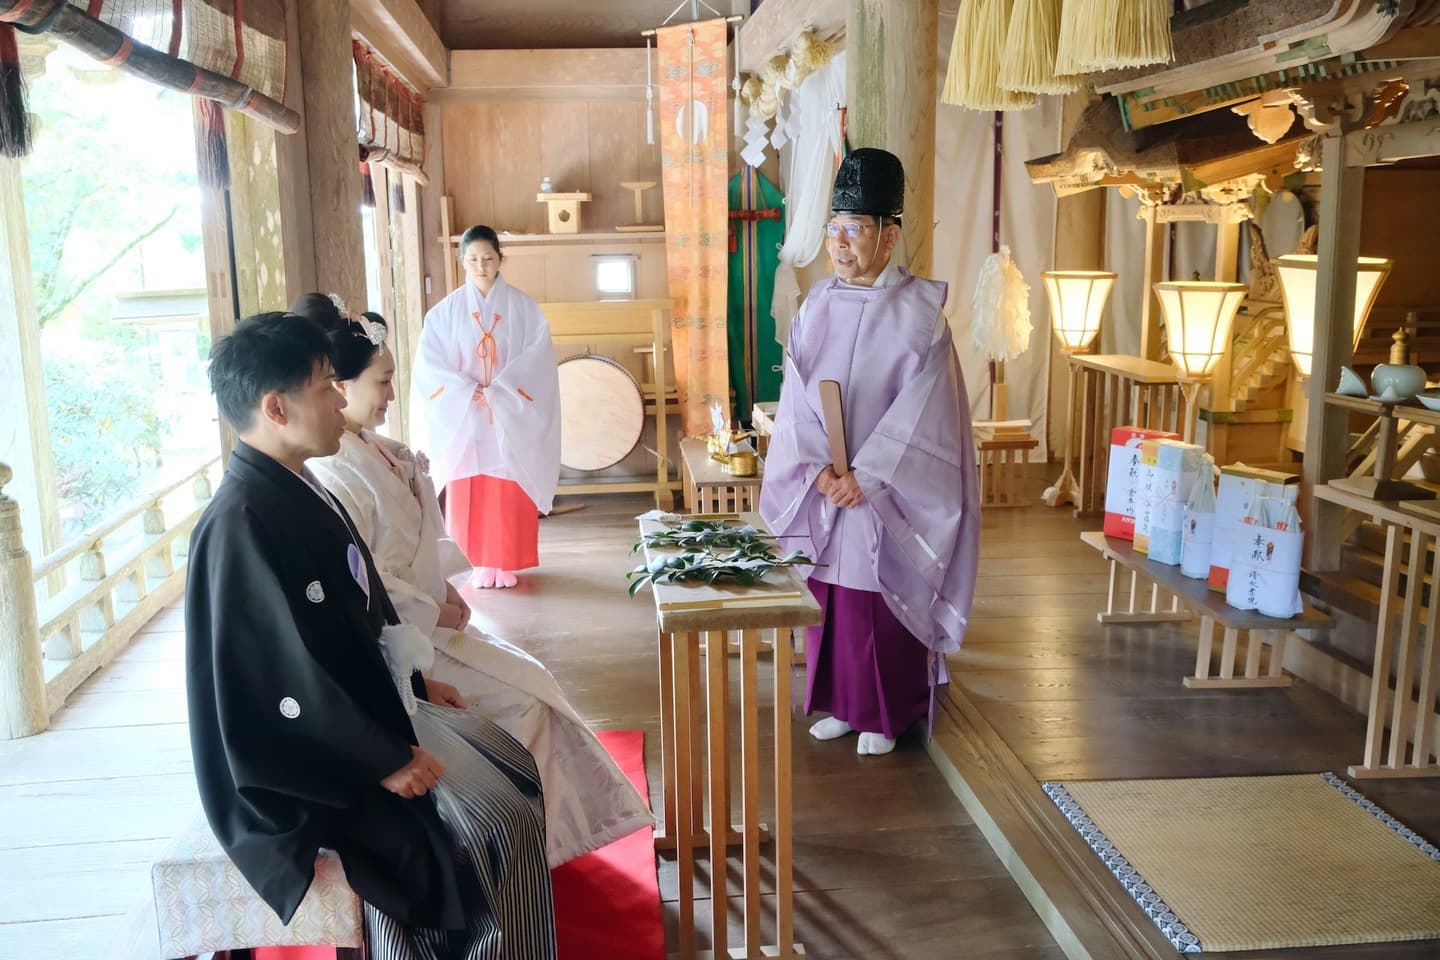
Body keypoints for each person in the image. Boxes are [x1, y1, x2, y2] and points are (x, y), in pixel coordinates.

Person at [185, 311, 557, 958]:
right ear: (276, 408)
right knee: (491, 824)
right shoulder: (240, 522)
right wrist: (382, 759)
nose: (340, 398)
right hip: (306, 765)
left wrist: (416, 680)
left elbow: (362, 615)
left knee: (514, 767)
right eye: (326, 386)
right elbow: (281, 680)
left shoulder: (298, 488)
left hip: (356, 722)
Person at [295, 295, 653, 865]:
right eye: (383, 382)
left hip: (426, 616)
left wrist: (446, 589)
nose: (391, 394)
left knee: (533, 679)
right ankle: (499, 848)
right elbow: (362, 578)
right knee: (522, 704)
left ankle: (535, 841)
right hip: (400, 637)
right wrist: (428, 607)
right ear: (341, 387)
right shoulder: (337, 468)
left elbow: (415, 547)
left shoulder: (376, 450)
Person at [759, 148, 981, 757]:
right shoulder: (816, 307)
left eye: (853, 229)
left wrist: (872, 476)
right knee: (833, 598)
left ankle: (887, 712)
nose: (840, 243)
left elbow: (926, 417)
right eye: (835, 228)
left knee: (879, 600)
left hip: (886, 494)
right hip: (828, 484)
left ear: (889, 234)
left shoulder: (922, 315)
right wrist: (822, 470)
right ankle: (842, 704)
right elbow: (798, 395)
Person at [411, 225, 561, 589]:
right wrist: (465, 389)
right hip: (466, 412)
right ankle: (474, 561)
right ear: (462, 261)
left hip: (508, 409)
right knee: (469, 484)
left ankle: (505, 560)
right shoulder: (443, 313)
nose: (482, 265)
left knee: (508, 479)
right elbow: (430, 363)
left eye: (488, 258)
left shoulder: (524, 307)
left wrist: (504, 389)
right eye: (474, 259)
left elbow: (538, 356)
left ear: (500, 259)